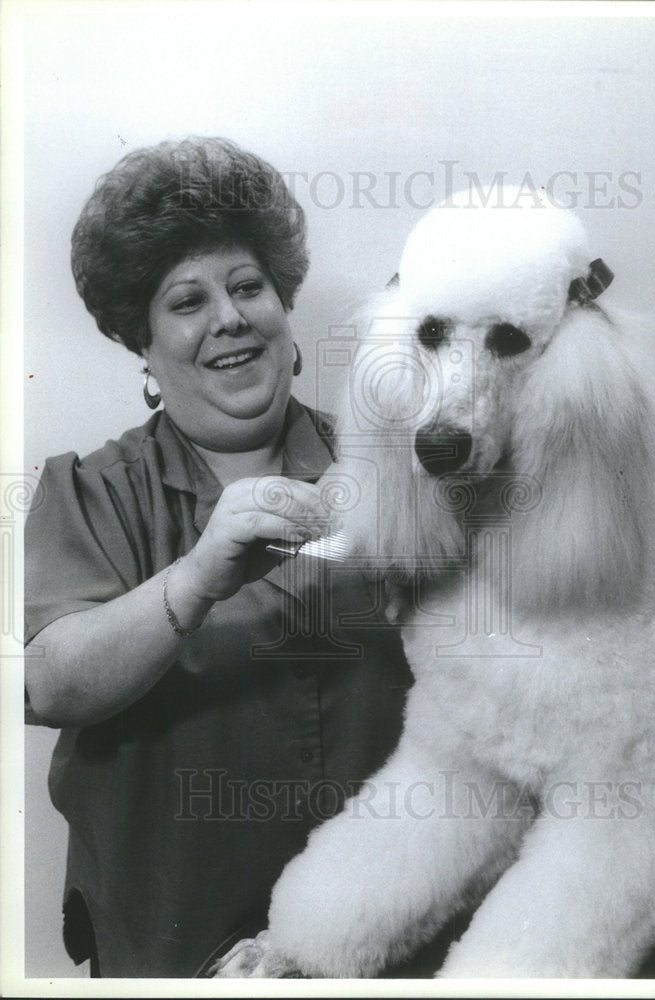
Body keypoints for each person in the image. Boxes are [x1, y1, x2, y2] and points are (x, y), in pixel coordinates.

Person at [24, 137, 418, 978]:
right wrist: (201, 573)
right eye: (187, 301)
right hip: (172, 942)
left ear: (282, 307)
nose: (230, 317)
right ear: (144, 344)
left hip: (390, 947)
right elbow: (48, 681)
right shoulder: (92, 491)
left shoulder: (395, 465)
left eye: (247, 288)